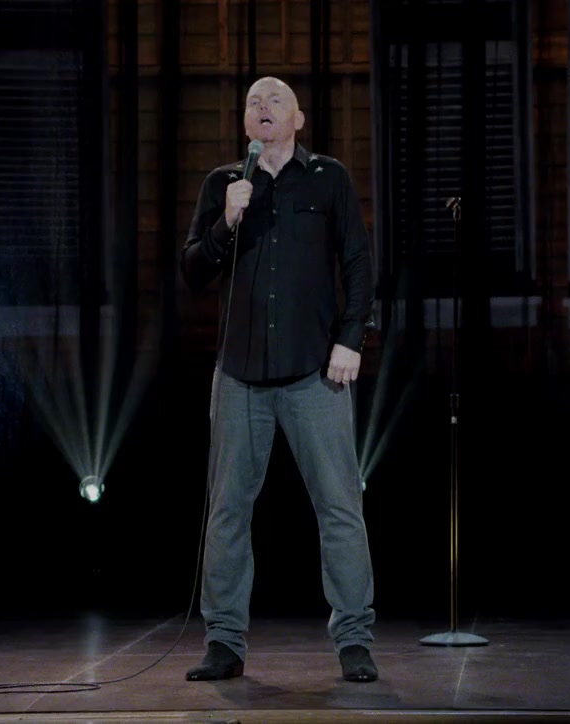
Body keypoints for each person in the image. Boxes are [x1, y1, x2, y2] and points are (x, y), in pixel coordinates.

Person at [179, 76, 378, 683]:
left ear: (298, 118)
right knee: (227, 511)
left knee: (339, 506)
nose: (263, 108)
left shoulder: (328, 178)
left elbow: (358, 261)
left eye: (275, 101)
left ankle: (354, 639)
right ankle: (224, 641)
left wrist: (351, 338)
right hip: (239, 376)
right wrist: (225, 222)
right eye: (253, 102)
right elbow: (193, 271)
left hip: (314, 372)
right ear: (245, 123)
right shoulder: (223, 185)